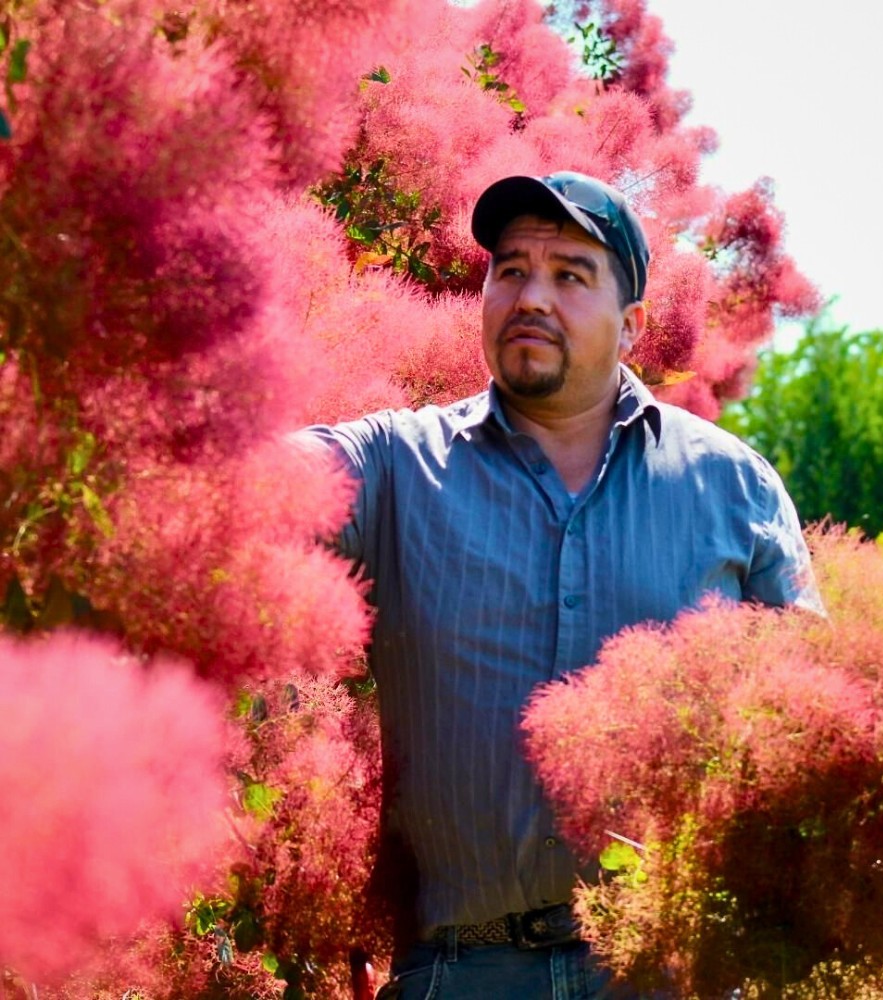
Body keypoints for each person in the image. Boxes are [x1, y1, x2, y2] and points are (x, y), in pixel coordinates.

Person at [307, 172, 823, 999]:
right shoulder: (398, 466)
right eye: (510, 269)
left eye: (570, 275)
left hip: (666, 969)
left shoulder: (733, 488)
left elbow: (815, 729)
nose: (531, 296)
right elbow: (259, 483)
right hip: (462, 971)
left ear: (633, 325)